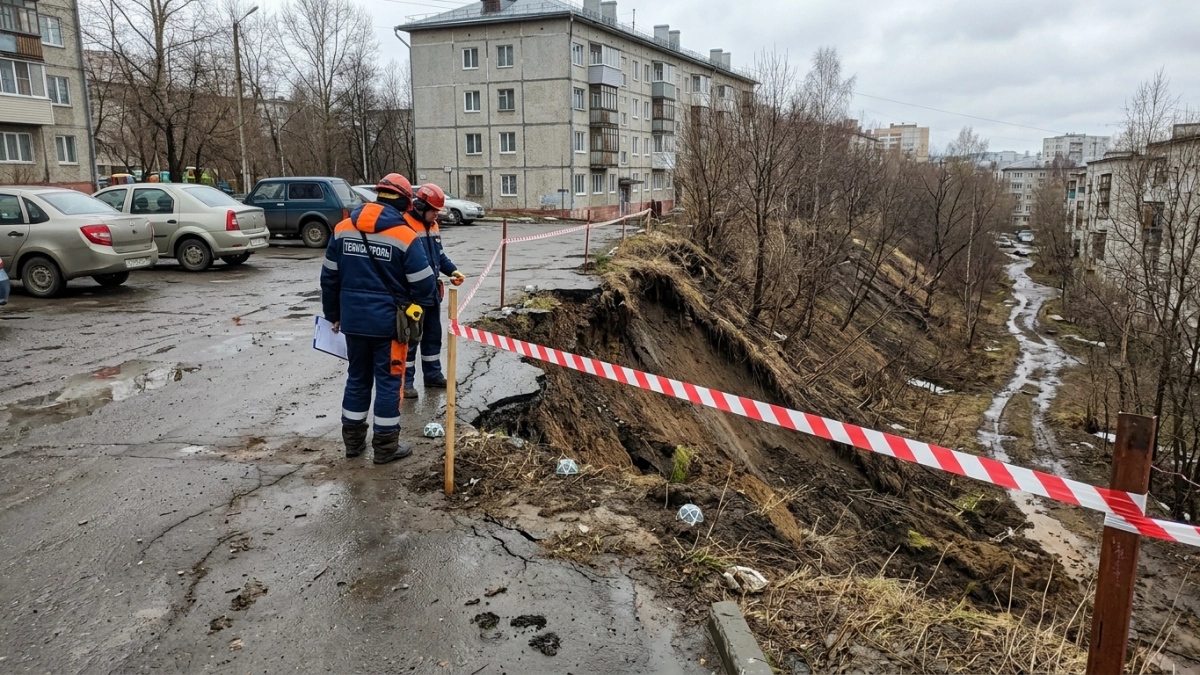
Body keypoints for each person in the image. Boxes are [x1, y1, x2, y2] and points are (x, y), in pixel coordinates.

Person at [320, 173, 437, 463]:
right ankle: (385, 447)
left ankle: (353, 443)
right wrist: (416, 307)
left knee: (357, 378)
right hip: (390, 325)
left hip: (353, 323)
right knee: (388, 381)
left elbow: (329, 278)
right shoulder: (404, 235)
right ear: (406, 202)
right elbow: (424, 284)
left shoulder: (342, 229)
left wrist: (333, 314)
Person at [400, 183, 466, 399]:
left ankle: (433, 375)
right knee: (411, 340)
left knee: (432, 336)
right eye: (434, 210)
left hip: (431, 293)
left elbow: (439, 256)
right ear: (420, 206)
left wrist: (453, 271)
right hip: (412, 295)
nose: (437, 214)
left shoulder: (433, 225)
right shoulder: (404, 225)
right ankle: (406, 383)